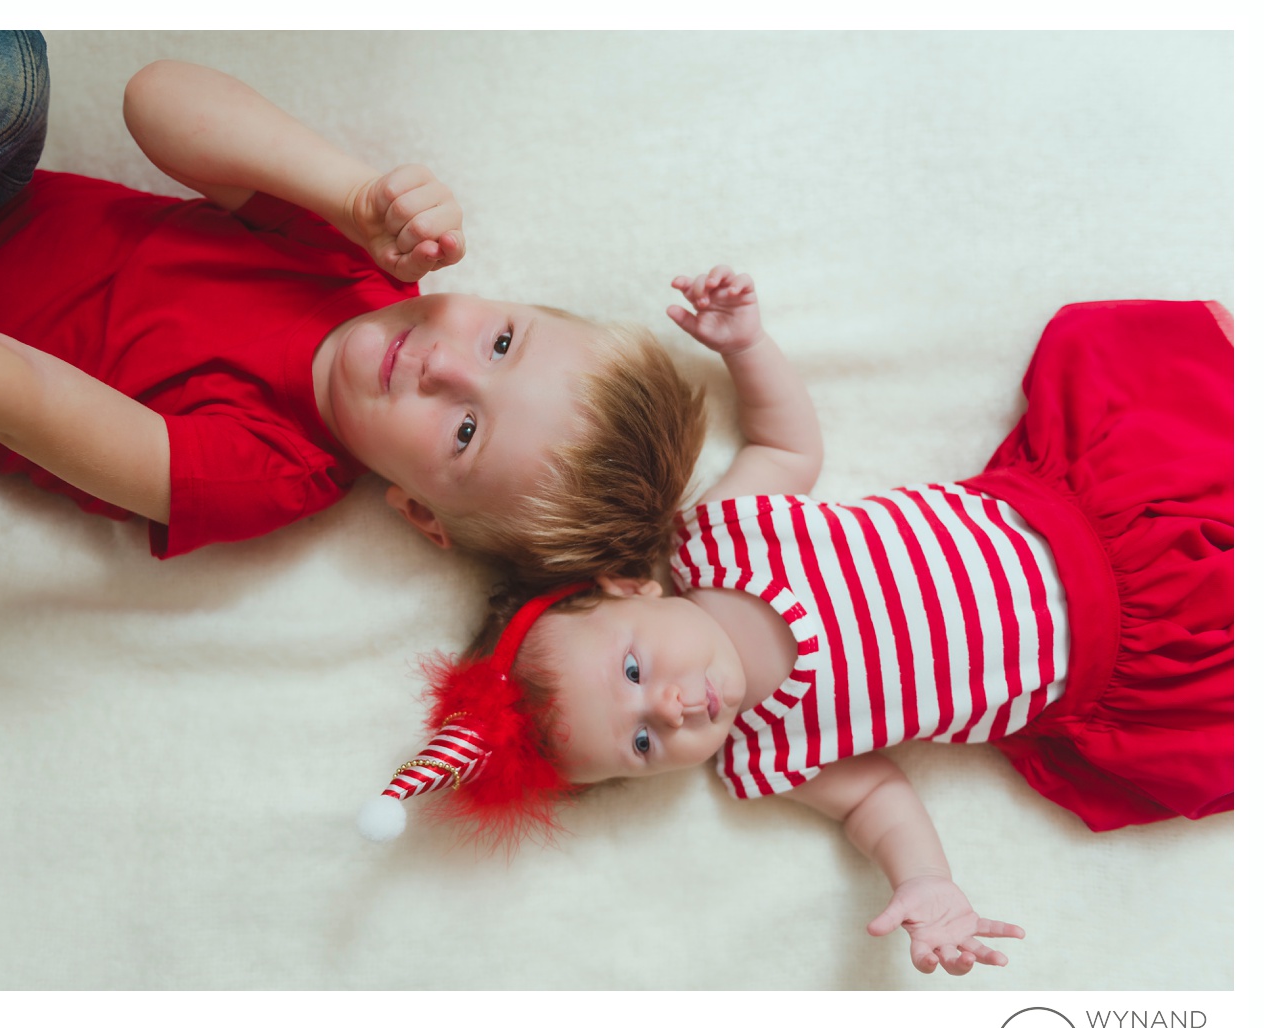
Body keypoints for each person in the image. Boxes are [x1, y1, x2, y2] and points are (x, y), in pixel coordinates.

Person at [359, 265, 1234, 977]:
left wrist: (748, 348)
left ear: (629, 588)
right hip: (1141, 660)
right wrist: (926, 882)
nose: (667, 708)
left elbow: (788, 448)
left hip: (1094, 511)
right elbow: (880, 798)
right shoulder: (767, 759)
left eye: (633, 675)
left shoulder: (721, 534)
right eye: (641, 745)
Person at [0, 38, 706, 615]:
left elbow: (15, 391)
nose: (441, 365)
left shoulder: (269, 475)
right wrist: (348, 192)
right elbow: (157, 97)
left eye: (465, 430)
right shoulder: (357, 265)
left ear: (422, 512)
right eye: (501, 342)